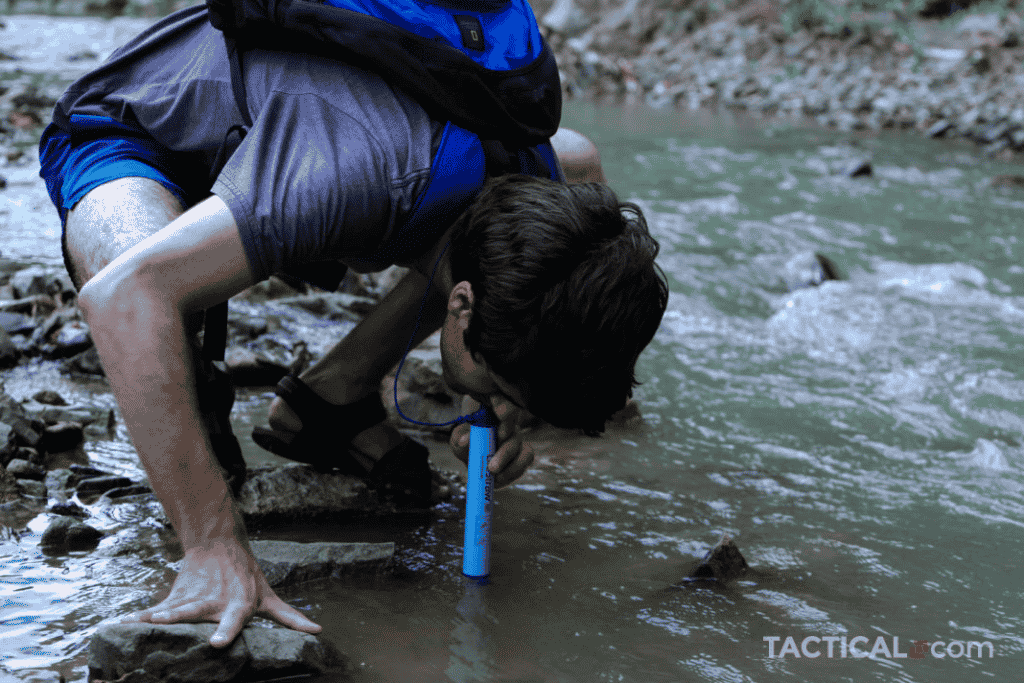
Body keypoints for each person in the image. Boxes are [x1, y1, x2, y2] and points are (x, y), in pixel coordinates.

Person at [39, 4, 668, 648]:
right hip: (142, 134)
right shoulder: (364, 178)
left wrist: (503, 389)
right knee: (145, 311)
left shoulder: (534, 181)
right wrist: (213, 546)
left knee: (492, 225)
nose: (505, 408)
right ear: (461, 305)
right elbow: (124, 295)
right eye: (505, 388)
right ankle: (199, 396)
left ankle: (331, 396)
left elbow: (583, 160)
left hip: (317, 155)